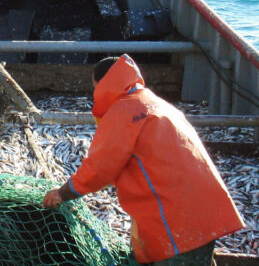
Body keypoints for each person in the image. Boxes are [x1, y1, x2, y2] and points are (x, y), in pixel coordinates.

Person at [43, 54, 245, 265]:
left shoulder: (123, 111)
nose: (94, 93)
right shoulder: (156, 104)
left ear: (103, 84)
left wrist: (63, 193)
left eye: (94, 87)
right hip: (207, 213)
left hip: (177, 222)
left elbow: (100, 168)